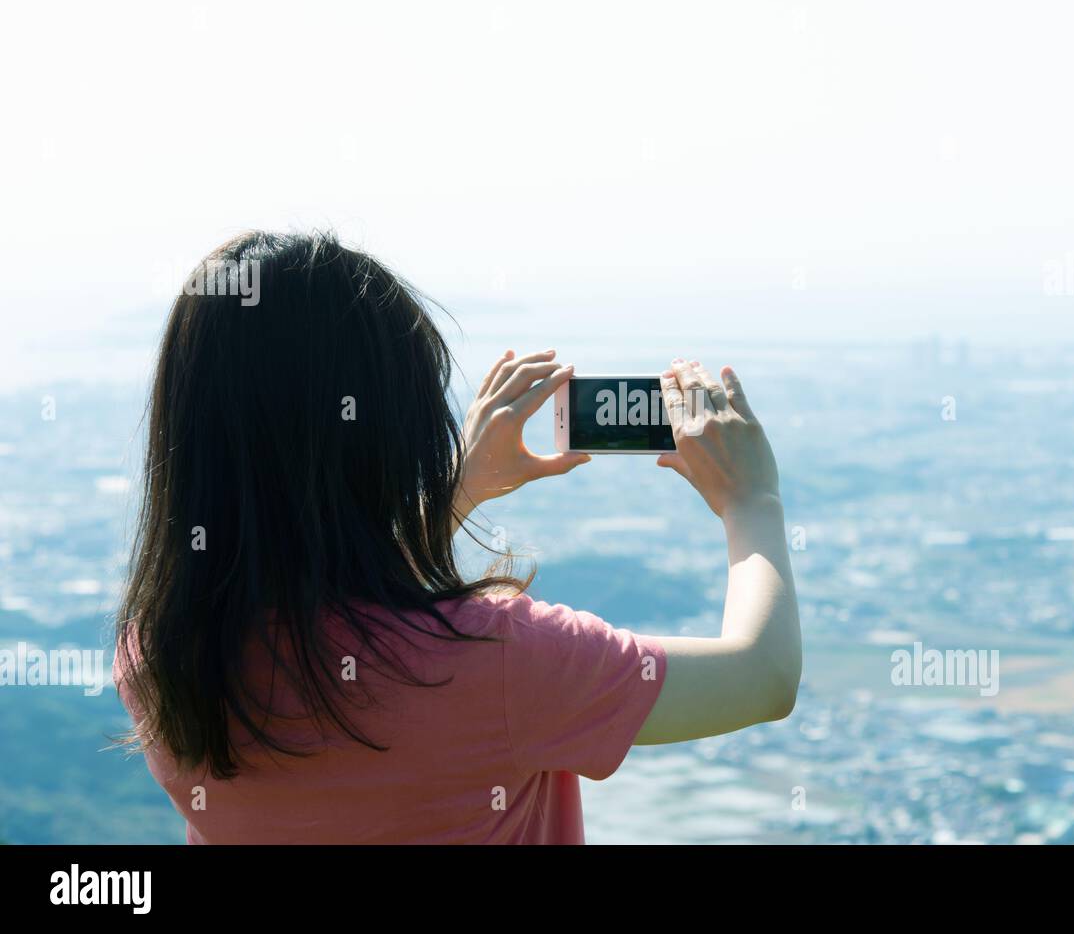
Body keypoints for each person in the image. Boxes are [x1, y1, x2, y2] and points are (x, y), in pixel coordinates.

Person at [113, 230, 801, 843]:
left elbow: (329, 601)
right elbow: (761, 677)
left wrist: (458, 491)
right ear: (391, 434)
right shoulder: (494, 662)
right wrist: (752, 502)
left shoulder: (160, 657)